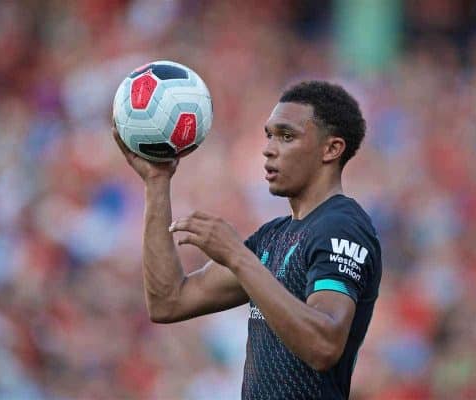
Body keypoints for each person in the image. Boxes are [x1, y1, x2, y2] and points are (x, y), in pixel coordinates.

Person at [113, 80, 382, 399]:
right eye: (269, 134)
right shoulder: (273, 237)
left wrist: (238, 257)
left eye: (287, 136)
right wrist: (157, 184)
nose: (269, 148)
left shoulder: (341, 226)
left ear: (331, 149)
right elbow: (168, 302)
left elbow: (323, 344)